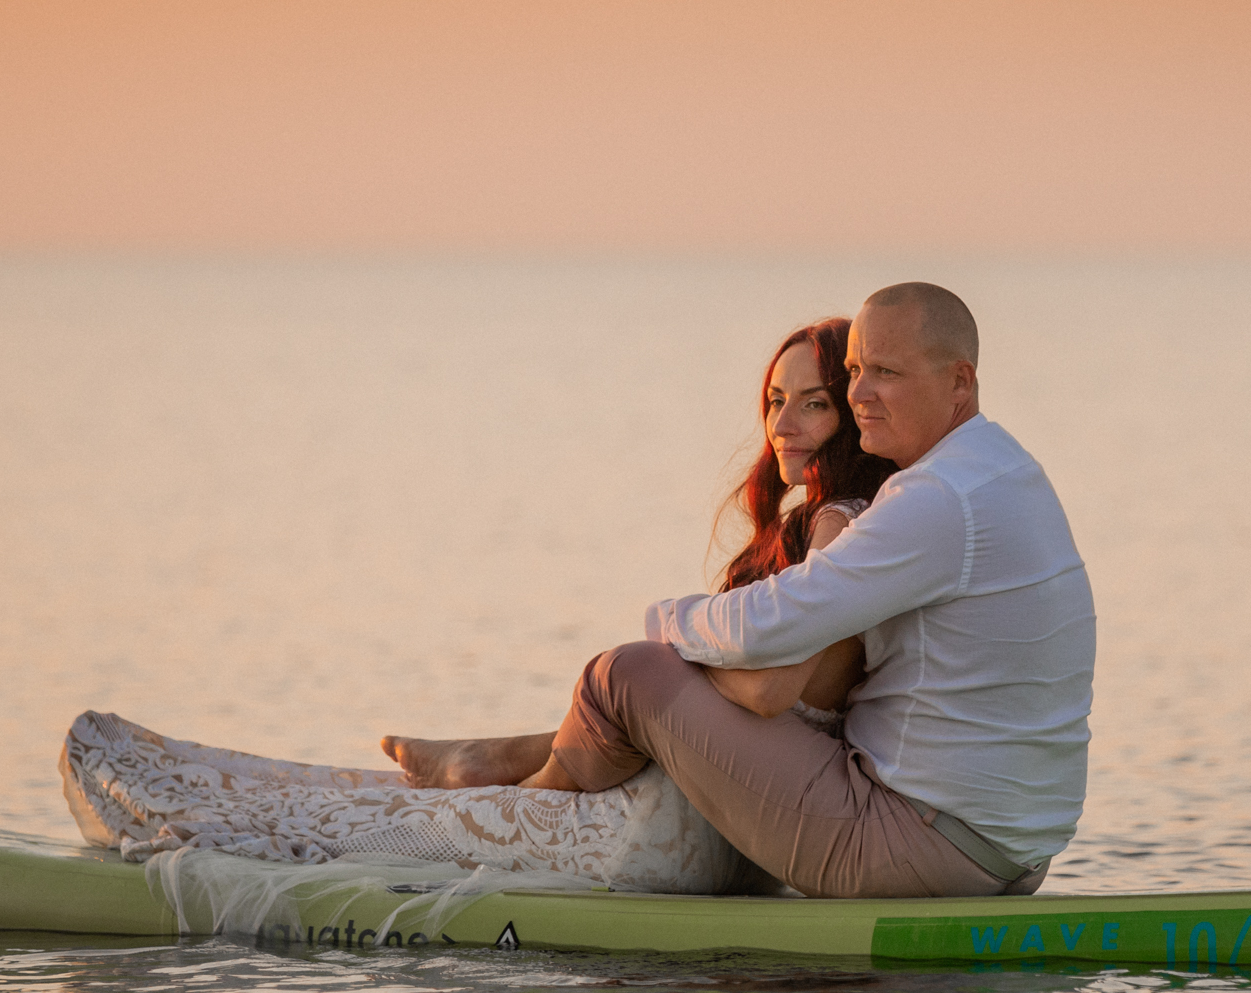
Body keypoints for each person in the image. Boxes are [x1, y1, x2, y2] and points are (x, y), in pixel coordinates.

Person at [60, 315, 896, 894]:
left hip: (670, 835)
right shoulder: (862, 529)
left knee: (371, 824)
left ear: (853, 416)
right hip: (727, 833)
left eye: (812, 401)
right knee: (394, 804)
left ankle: (168, 808)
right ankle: (487, 763)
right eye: (775, 400)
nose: (783, 423)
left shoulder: (836, 526)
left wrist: (677, 640)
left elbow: (771, 688)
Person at [385, 282, 1097, 900]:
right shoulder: (1006, 470)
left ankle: (487, 844)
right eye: (854, 371)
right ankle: (505, 780)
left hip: (922, 847)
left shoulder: (935, 498)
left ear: (959, 382)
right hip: (1012, 853)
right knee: (650, 683)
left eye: (886, 371)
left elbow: (770, 645)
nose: (860, 394)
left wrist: (667, 619)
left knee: (628, 670)